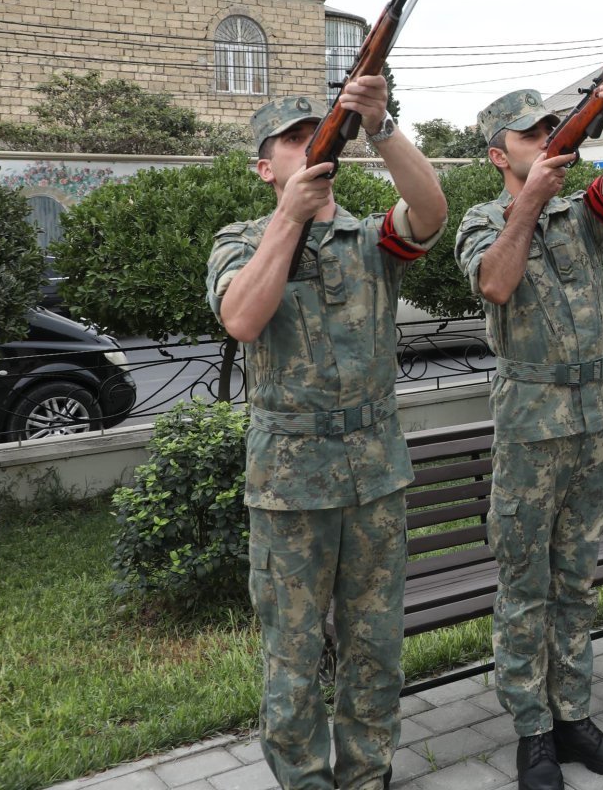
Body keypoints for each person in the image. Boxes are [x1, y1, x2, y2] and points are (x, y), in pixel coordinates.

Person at [206, 82, 448, 790]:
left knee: (376, 645)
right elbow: (243, 318)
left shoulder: (371, 237)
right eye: (293, 137)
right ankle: (306, 780)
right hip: (291, 483)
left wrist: (381, 128)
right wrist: (289, 219)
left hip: (375, 474)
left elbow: (431, 214)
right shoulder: (239, 240)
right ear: (264, 166)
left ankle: (367, 774)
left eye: (322, 131)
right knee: (294, 651)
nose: (314, 143)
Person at [455, 79, 603, 790]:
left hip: (594, 415)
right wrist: (529, 200)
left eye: (551, 130)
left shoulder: (577, 214)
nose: (548, 141)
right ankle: (532, 729)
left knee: (577, 579)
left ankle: (573, 714)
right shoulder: (483, 218)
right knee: (526, 583)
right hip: (532, 426)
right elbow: (497, 284)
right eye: (533, 134)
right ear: (499, 153)